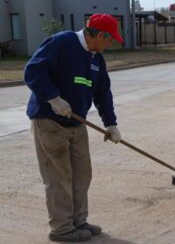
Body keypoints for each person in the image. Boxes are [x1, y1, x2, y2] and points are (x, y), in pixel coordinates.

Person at [24, 13, 124, 242]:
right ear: (100, 35)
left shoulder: (96, 59)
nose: (110, 44)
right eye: (110, 40)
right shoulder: (62, 43)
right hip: (49, 122)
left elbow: (102, 93)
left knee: (82, 174)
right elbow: (33, 71)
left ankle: (79, 221)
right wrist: (53, 98)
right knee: (59, 177)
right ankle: (62, 228)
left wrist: (111, 123)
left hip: (77, 123)